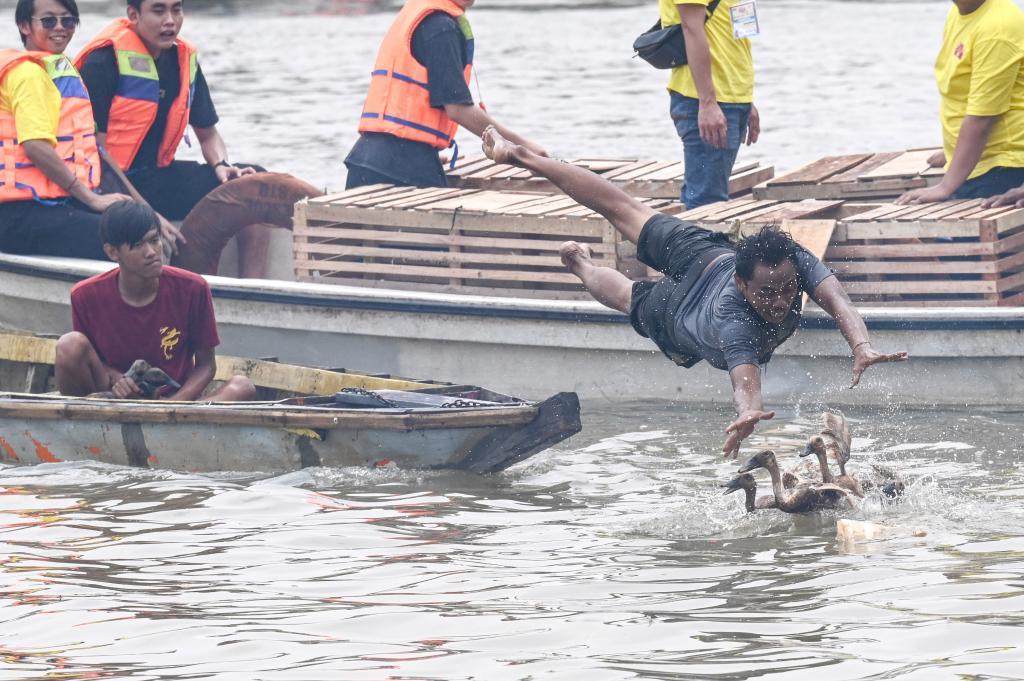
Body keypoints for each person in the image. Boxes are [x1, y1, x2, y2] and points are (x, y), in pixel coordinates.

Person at [480, 126, 908, 457]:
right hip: (689, 295)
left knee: (630, 264)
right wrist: (747, 412)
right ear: (743, 284)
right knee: (626, 242)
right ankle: (526, 165)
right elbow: (745, 378)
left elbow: (837, 299)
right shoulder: (735, 321)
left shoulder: (790, 257)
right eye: (767, 294)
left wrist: (861, 345)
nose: (780, 303)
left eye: (788, 291)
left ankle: (580, 263)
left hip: (696, 276)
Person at [75, 0, 273, 278]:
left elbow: (209, 134)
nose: (170, 20)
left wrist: (222, 165)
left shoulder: (184, 60)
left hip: (158, 177)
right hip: (111, 186)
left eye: (176, 10)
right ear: (133, 15)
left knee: (253, 185)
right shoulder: (103, 61)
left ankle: (253, 289)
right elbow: (97, 155)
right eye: (158, 11)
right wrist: (145, 211)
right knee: (140, 220)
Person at [56, 201, 256, 401]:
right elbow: (92, 361)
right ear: (112, 252)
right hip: (113, 399)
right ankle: (86, 425)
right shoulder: (85, 296)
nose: (152, 252)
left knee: (242, 387)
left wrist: (173, 406)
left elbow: (206, 365)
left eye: (154, 240)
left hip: (175, 402)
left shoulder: (193, 288)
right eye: (138, 245)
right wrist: (118, 380)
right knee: (69, 345)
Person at [344, 0, 546, 189]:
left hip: (368, 160)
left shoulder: (420, 14)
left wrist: (426, 153)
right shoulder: (440, 27)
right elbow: (457, 109)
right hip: (400, 167)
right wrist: (522, 149)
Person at [0, 0, 139, 260]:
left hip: (52, 204)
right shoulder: (27, 74)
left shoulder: (56, 70)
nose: (60, 28)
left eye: (68, 20)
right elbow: (35, 146)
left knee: (139, 222)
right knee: (127, 237)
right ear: (24, 26)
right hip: (18, 214)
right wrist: (90, 198)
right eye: (49, 20)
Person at [897, 0, 1024, 205]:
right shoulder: (959, 13)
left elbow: (983, 118)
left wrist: (946, 186)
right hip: (975, 162)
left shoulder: (997, 27)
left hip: (1001, 167)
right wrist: (953, 150)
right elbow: (960, 97)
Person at [661, 0, 760, 209]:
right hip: (704, 99)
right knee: (706, 203)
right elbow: (691, 28)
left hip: (731, 97)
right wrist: (707, 103)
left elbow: (736, 37)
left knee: (711, 196)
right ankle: (695, 241)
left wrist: (746, 98)